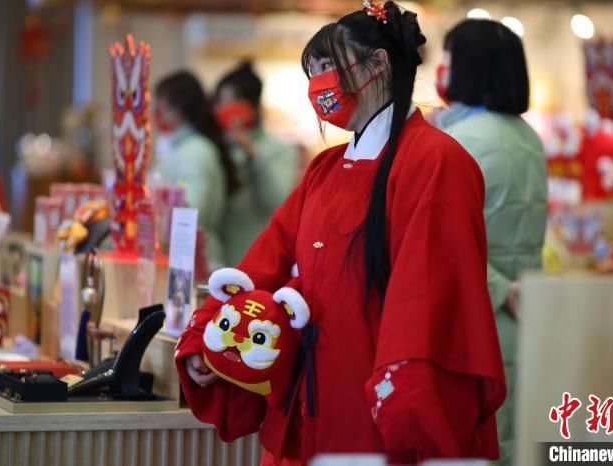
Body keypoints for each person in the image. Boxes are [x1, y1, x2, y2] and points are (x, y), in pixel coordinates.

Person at [175, 2, 506, 465]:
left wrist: (402, 395)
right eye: (313, 71)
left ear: (378, 64)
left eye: (329, 66)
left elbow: (429, 298)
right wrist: (207, 337)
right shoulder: (325, 168)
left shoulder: (436, 162)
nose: (319, 84)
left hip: (370, 397)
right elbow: (265, 261)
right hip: (308, 394)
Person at [432, 19, 548, 466]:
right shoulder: (529, 140)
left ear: (466, 68)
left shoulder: (458, 142)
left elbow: (444, 241)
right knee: (513, 440)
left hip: (474, 314)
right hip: (525, 315)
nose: (442, 68)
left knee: (472, 444)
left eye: (448, 58)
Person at [213, 62, 300, 266]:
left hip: (257, 260)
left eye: (233, 101)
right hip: (218, 261)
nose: (225, 109)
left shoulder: (280, 149)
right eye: (220, 101)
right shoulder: (216, 146)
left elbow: (275, 199)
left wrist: (251, 153)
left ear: (252, 105)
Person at [153, 71, 240, 269]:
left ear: (178, 107)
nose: (158, 110)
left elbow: (193, 211)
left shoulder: (196, 151)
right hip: (188, 257)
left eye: (161, 103)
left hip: (198, 260)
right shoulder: (184, 147)